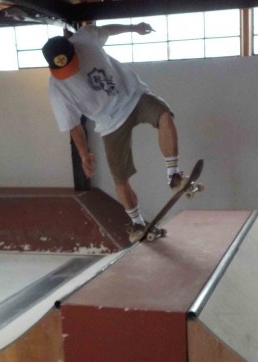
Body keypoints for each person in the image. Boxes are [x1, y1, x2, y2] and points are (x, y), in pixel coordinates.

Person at [42, 23, 187, 243]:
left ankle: (173, 174)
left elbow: (108, 30)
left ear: (74, 49)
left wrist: (134, 28)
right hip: (109, 123)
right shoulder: (57, 88)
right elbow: (73, 125)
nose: (70, 73)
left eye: (71, 65)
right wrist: (84, 154)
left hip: (133, 97)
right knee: (120, 177)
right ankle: (138, 223)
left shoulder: (85, 39)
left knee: (164, 114)